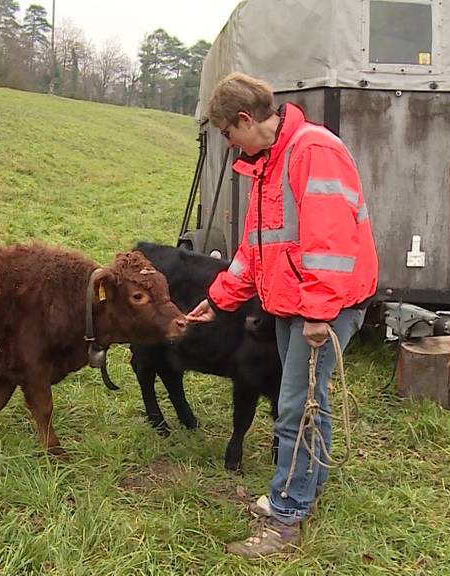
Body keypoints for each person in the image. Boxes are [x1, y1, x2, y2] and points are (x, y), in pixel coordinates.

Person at [185, 72, 378, 558]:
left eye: (228, 135)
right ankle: (307, 488)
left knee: (294, 406)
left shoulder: (313, 152)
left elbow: (330, 244)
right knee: (309, 400)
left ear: (245, 119)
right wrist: (221, 296)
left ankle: (286, 517)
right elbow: (256, 249)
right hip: (295, 303)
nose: (229, 146)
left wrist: (318, 313)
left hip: (323, 306)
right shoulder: (268, 163)